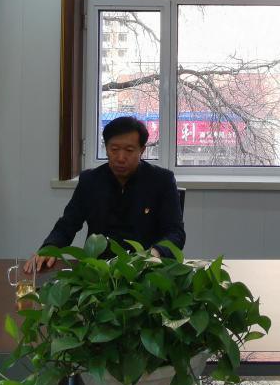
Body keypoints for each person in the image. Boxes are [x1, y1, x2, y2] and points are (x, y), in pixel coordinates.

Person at [27, 115, 185, 271]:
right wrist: (49, 248)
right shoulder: (90, 181)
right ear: (106, 148)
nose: (120, 158)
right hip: (98, 271)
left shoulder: (161, 181)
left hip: (145, 268)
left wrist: (155, 253)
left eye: (129, 150)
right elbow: (67, 224)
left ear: (142, 150)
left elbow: (175, 233)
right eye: (114, 149)